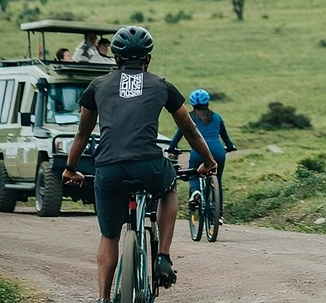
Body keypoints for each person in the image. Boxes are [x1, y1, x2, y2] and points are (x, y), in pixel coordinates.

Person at [61, 26, 218, 303]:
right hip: (148, 166)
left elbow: (82, 134)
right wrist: (208, 161)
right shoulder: (161, 85)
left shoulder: (97, 86)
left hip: (108, 169)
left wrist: (71, 168)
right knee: (169, 187)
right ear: (148, 59)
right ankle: (164, 257)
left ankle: (103, 298)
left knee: (109, 235)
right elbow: (191, 130)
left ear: (116, 59)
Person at [166, 88, 236, 224]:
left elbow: (178, 136)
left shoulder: (189, 118)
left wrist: (172, 148)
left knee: (194, 174)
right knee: (218, 181)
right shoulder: (217, 117)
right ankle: (219, 215)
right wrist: (230, 146)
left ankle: (196, 191)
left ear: (192, 105)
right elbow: (226, 138)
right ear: (208, 103)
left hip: (198, 152)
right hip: (218, 152)